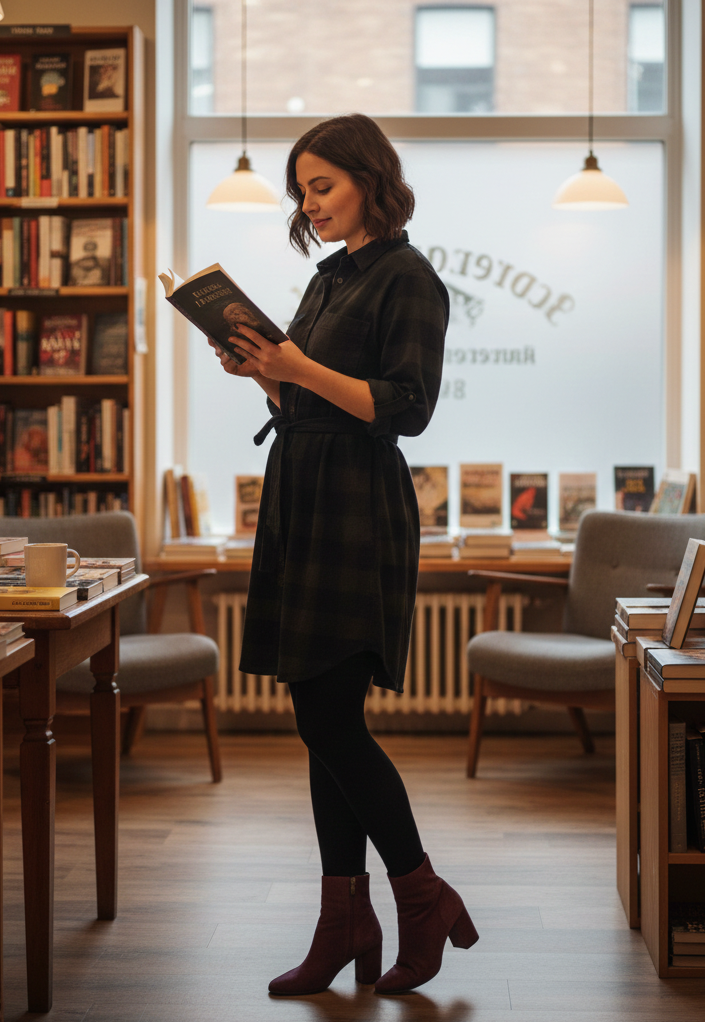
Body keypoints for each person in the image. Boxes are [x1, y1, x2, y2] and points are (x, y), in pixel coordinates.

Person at [209, 113, 478, 996]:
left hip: (358, 506)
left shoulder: (410, 277)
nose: (310, 202)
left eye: (323, 184)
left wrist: (295, 366)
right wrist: (260, 369)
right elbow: (308, 405)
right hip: (303, 490)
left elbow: (405, 406)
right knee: (318, 721)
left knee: (329, 721)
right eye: (302, 189)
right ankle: (344, 921)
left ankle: (419, 894)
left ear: (370, 179)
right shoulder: (329, 280)